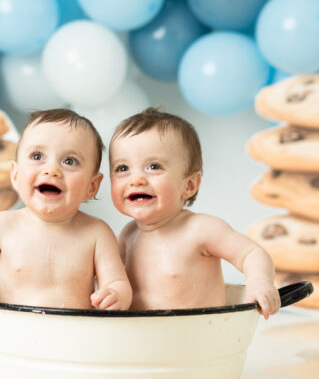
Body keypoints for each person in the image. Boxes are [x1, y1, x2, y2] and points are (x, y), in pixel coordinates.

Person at [0, 108, 132, 312]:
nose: (51, 170)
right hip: (10, 335)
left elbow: (118, 282)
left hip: (73, 338)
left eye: (70, 161)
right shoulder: (0, 226)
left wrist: (115, 295)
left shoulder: (97, 233)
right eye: (37, 156)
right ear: (16, 174)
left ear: (92, 186)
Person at [109, 107, 281, 318]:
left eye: (154, 166)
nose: (135, 179)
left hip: (199, 341)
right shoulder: (128, 236)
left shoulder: (201, 230)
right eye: (122, 168)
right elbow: (108, 279)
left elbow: (251, 254)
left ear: (189, 185)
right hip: (143, 343)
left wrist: (259, 283)